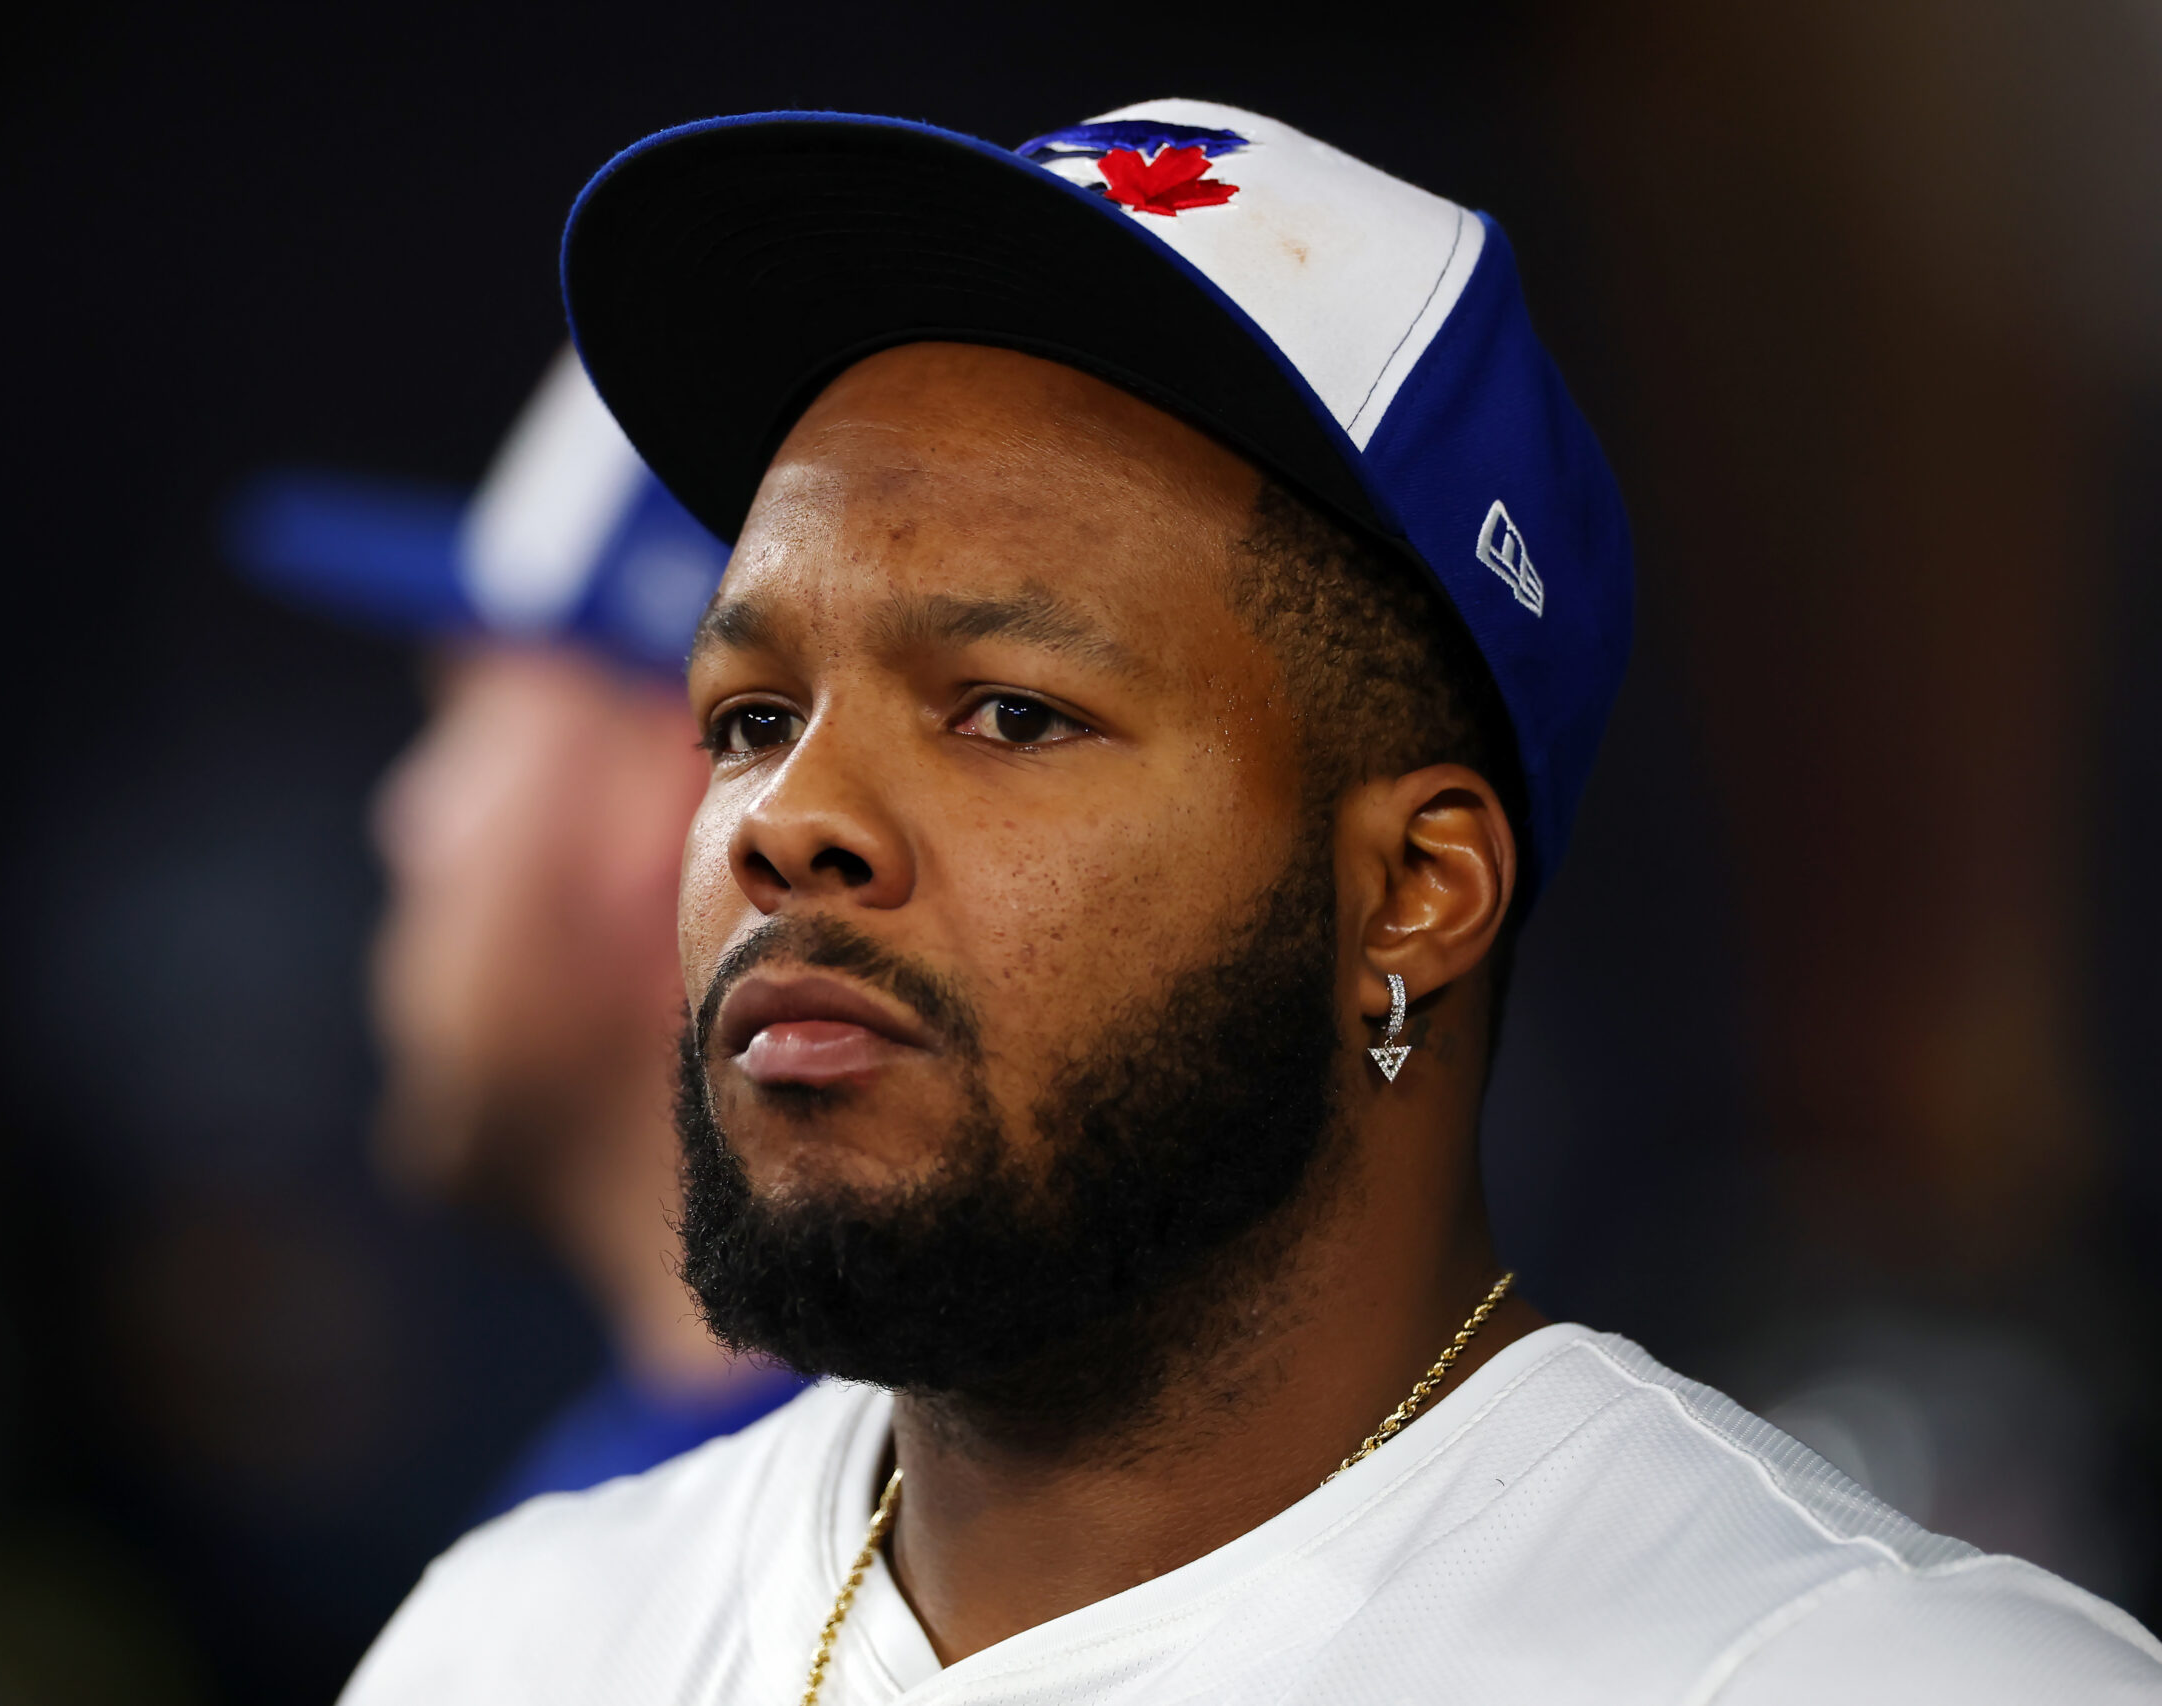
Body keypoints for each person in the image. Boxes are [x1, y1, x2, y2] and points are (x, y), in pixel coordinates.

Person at [338, 101, 2162, 1703]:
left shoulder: (1860, 1678)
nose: (790, 820)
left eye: (1010, 711)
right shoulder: (514, 1642)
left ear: (1414, 892)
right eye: (751, 716)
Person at [231, 350, 798, 1514]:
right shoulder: (591, 1525)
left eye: (462, 713)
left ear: (659, 791)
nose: (404, 819)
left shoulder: (955, 1554)